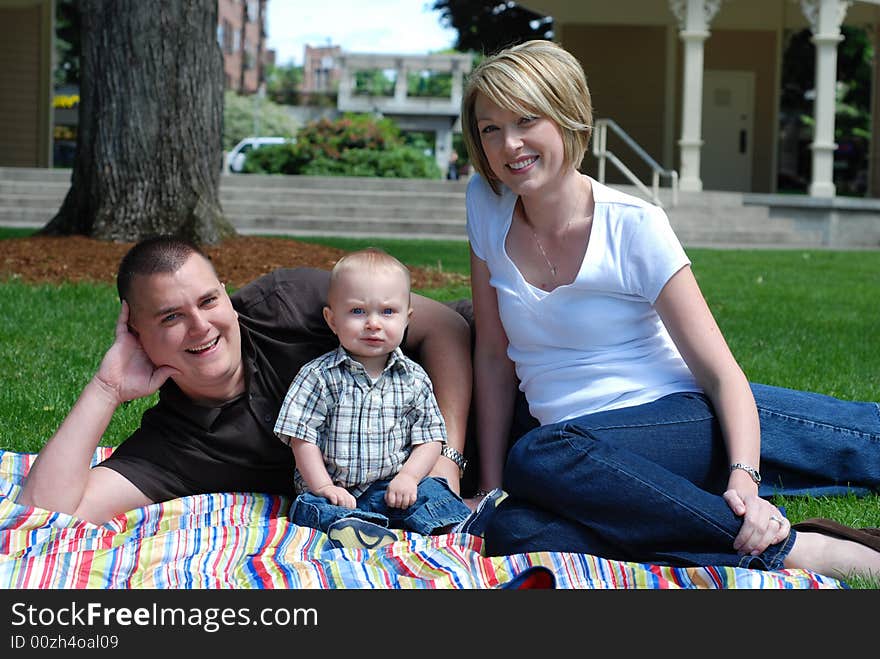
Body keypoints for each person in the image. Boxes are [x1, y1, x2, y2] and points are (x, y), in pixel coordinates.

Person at [461, 39, 880, 581]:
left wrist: (743, 482)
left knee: (539, 455)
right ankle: (766, 545)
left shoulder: (633, 225)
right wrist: (490, 488)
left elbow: (721, 374)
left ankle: (798, 552)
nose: (508, 143)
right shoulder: (485, 204)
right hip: (583, 457)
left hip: (669, 417)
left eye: (526, 120)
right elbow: (493, 354)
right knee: (515, 530)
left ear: (568, 116)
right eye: (490, 128)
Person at [17, 236, 474, 526]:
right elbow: (42, 512)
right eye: (172, 317)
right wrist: (107, 389)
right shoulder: (174, 445)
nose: (201, 327)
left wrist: (446, 460)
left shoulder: (289, 302)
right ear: (138, 335)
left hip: (477, 383)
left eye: (209, 300)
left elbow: (448, 327)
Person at [275, 248, 471, 549]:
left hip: (392, 488)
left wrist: (408, 476)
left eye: (388, 312)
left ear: (407, 319)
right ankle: (359, 529)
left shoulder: (414, 379)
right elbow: (302, 439)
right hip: (335, 491)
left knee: (434, 489)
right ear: (332, 319)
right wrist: (324, 486)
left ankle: (460, 524)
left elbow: (430, 439)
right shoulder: (318, 376)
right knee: (309, 508)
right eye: (357, 311)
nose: (373, 323)